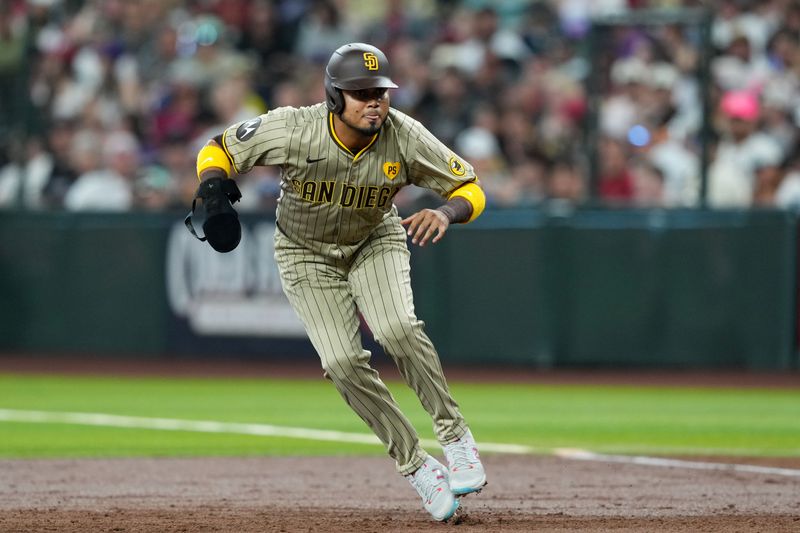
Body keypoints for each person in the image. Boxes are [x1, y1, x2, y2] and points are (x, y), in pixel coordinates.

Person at [191, 43, 488, 522]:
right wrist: (210, 183)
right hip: (304, 253)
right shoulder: (295, 127)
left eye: (381, 92)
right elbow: (220, 146)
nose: (375, 101)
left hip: (375, 239)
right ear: (334, 96)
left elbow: (470, 187)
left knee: (398, 329)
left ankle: (456, 439)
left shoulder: (403, 135)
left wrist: (446, 211)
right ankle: (417, 466)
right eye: (361, 92)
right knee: (342, 362)